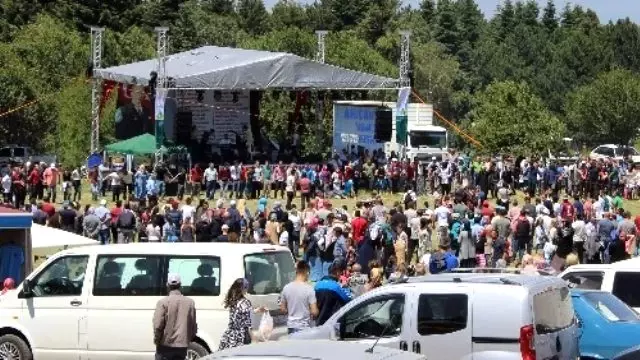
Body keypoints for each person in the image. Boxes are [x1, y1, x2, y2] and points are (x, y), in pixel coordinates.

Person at [152, 274, 197, 360]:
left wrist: (157, 340)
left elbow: (157, 325)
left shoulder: (162, 302)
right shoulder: (190, 302)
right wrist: (187, 340)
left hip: (165, 345)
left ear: (167, 285)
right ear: (180, 285)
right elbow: (193, 326)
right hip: (182, 346)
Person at [219, 278, 263, 350]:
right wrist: (254, 338)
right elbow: (248, 322)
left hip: (230, 335)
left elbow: (242, 313)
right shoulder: (245, 302)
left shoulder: (232, 301)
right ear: (243, 289)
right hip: (242, 336)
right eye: (246, 288)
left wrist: (257, 310)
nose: (247, 290)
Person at [279, 261, 318, 334]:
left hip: (291, 327)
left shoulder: (286, 288)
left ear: (296, 272)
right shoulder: (309, 289)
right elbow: (314, 311)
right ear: (307, 272)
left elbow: (283, 309)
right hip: (304, 327)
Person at [314, 260, 351, 326]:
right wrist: (345, 287)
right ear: (337, 272)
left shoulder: (317, 285)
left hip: (317, 322)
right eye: (340, 273)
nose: (340, 275)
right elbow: (348, 299)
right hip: (330, 323)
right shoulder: (336, 287)